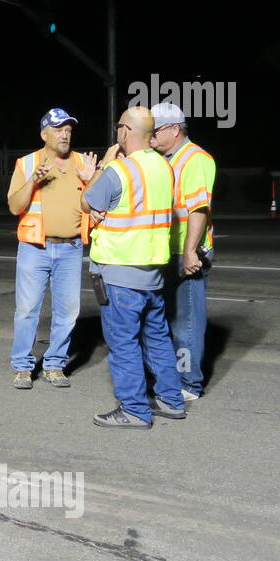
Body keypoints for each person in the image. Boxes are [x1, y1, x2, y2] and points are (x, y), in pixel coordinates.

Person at [80, 107, 185, 428]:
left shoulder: (119, 170)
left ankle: (135, 410)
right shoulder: (164, 166)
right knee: (157, 336)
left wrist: (102, 166)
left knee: (123, 343)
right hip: (152, 271)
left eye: (118, 127)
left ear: (125, 131)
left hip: (120, 271)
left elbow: (87, 202)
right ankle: (171, 400)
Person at [5, 108, 99, 389]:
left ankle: (55, 364)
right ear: (44, 133)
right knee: (26, 309)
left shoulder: (84, 163)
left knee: (68, 311)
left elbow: (97, 203)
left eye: (69, 130)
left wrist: (90, 178)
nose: (65, 134)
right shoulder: (27, 162)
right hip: (35, 248)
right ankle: (23, 366)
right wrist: (33, 180)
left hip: (70, 249)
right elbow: (14, 206)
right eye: (58, 129)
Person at [150, 102, 216, 402]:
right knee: (164, 318)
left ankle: (189, 384)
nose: (150, 136)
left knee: (185, 322)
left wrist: (190, 251)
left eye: (156, 130)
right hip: (167, 251)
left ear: (175, 130)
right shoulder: (166, 158)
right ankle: (171, 376)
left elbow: (199, 208)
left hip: (185, 253)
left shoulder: (195, 159)